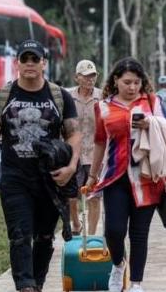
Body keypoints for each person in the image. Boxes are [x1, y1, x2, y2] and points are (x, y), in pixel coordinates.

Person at [0, 39, 81, 292]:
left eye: (35, 59)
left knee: (44, 238)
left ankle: (36, 284)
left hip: (50, 180)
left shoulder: (59, 96)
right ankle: (25, 287)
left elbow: (74, 134)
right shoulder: (4, 95)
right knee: (19, 236)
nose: (30, 64)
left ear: (44, 63)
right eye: (25, 59)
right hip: (15, 179)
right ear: (17, 63)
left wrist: (72, 166)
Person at [86, 58, 166, 292]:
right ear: (115, 80)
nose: (132, 87)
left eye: (137, 82)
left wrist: (152, 125)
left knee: (139, 234)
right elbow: (99, 142)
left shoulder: (152, 102)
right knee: (114, 231)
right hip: (115, 177)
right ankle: (118, 266)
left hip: (148, 178)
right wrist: (92, 176)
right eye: (127, 82)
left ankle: (136, 283)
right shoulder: (103, 107)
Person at [67, 59, 103, 236]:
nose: (90, 79)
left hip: (95, 154)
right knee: (71, 196)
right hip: (73, 154)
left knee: (94, 197)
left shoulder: (102, 97)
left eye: (93, 75)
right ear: (77, 77)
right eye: (86, 76)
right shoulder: (68, 97)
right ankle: (75, 223)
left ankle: (91, 235)